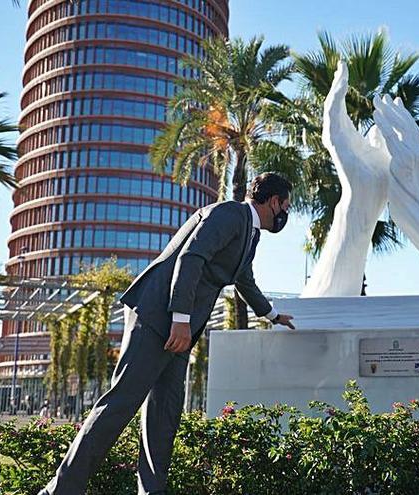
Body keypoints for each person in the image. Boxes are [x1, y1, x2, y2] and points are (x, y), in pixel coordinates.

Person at [40, 172, 297, 495]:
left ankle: (151, 491)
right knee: (119, 405)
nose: (285, 212)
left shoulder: (250, 234)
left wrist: (272, 314)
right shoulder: (228, 213)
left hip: (180, 330)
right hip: (158, 318)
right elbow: (191, 258)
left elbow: (243, 278)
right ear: (274, 201)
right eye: (285, 205)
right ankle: (59, 491)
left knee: (164, 415)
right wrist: (180, 317)